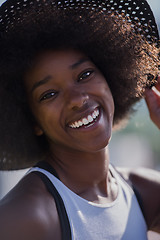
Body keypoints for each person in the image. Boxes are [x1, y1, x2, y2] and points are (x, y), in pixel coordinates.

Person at [0, 0, 159, 239]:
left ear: (110, 78)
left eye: (85, 74)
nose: (77, 99)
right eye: (49, 94)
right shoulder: (25, 217)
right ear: (32, 120)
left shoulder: (142, 192)